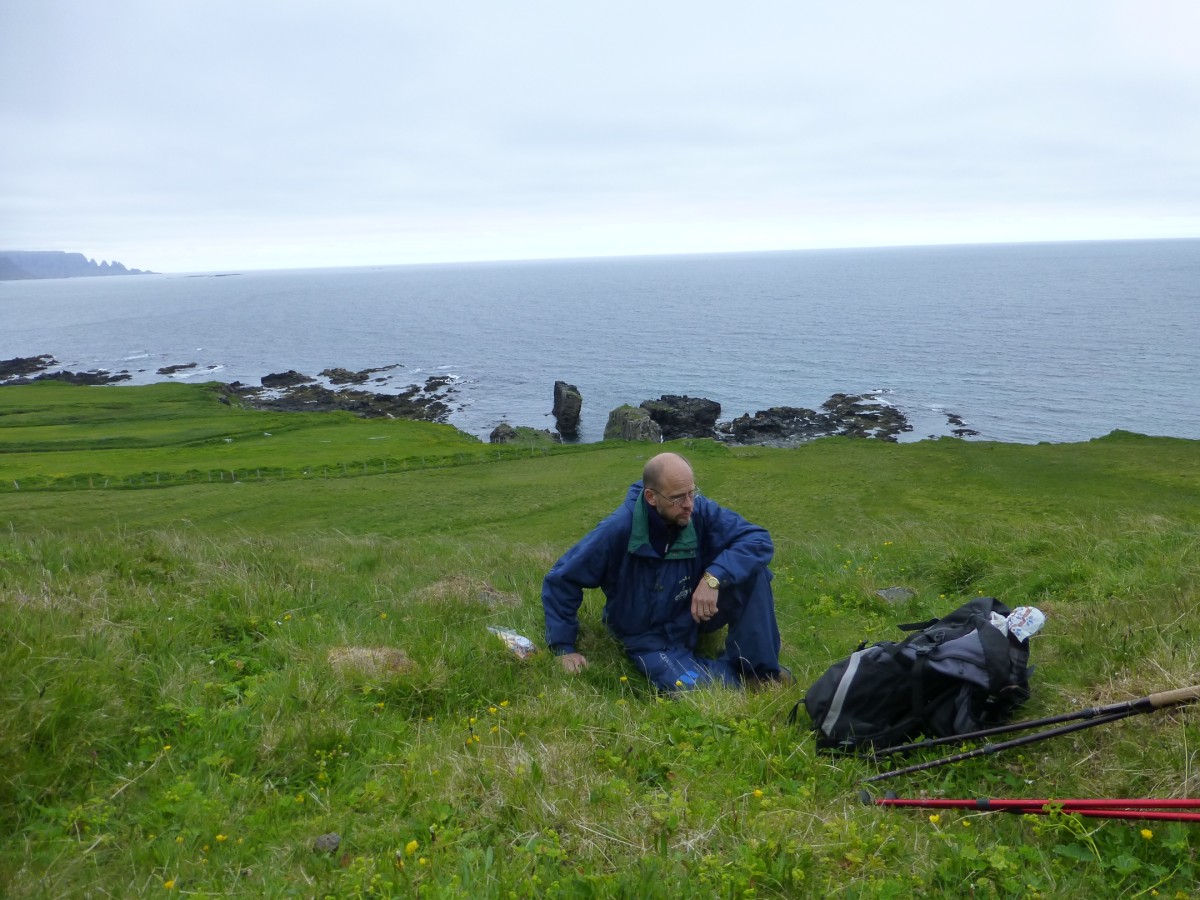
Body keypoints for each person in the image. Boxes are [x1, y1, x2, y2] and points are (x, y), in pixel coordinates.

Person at [542, 451, 790, 692]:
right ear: (651, 497)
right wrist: (564, 648)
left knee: (753, 573)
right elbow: (562, 579)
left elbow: (757, 540)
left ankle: (759, 672)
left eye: (692, 492)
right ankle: (737, 677)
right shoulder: (617, 530)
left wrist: (713, 578)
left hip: (692, 614)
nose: (689, 504)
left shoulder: (697, 510)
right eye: (678, 498)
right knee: (690, 687)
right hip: (648, 637)